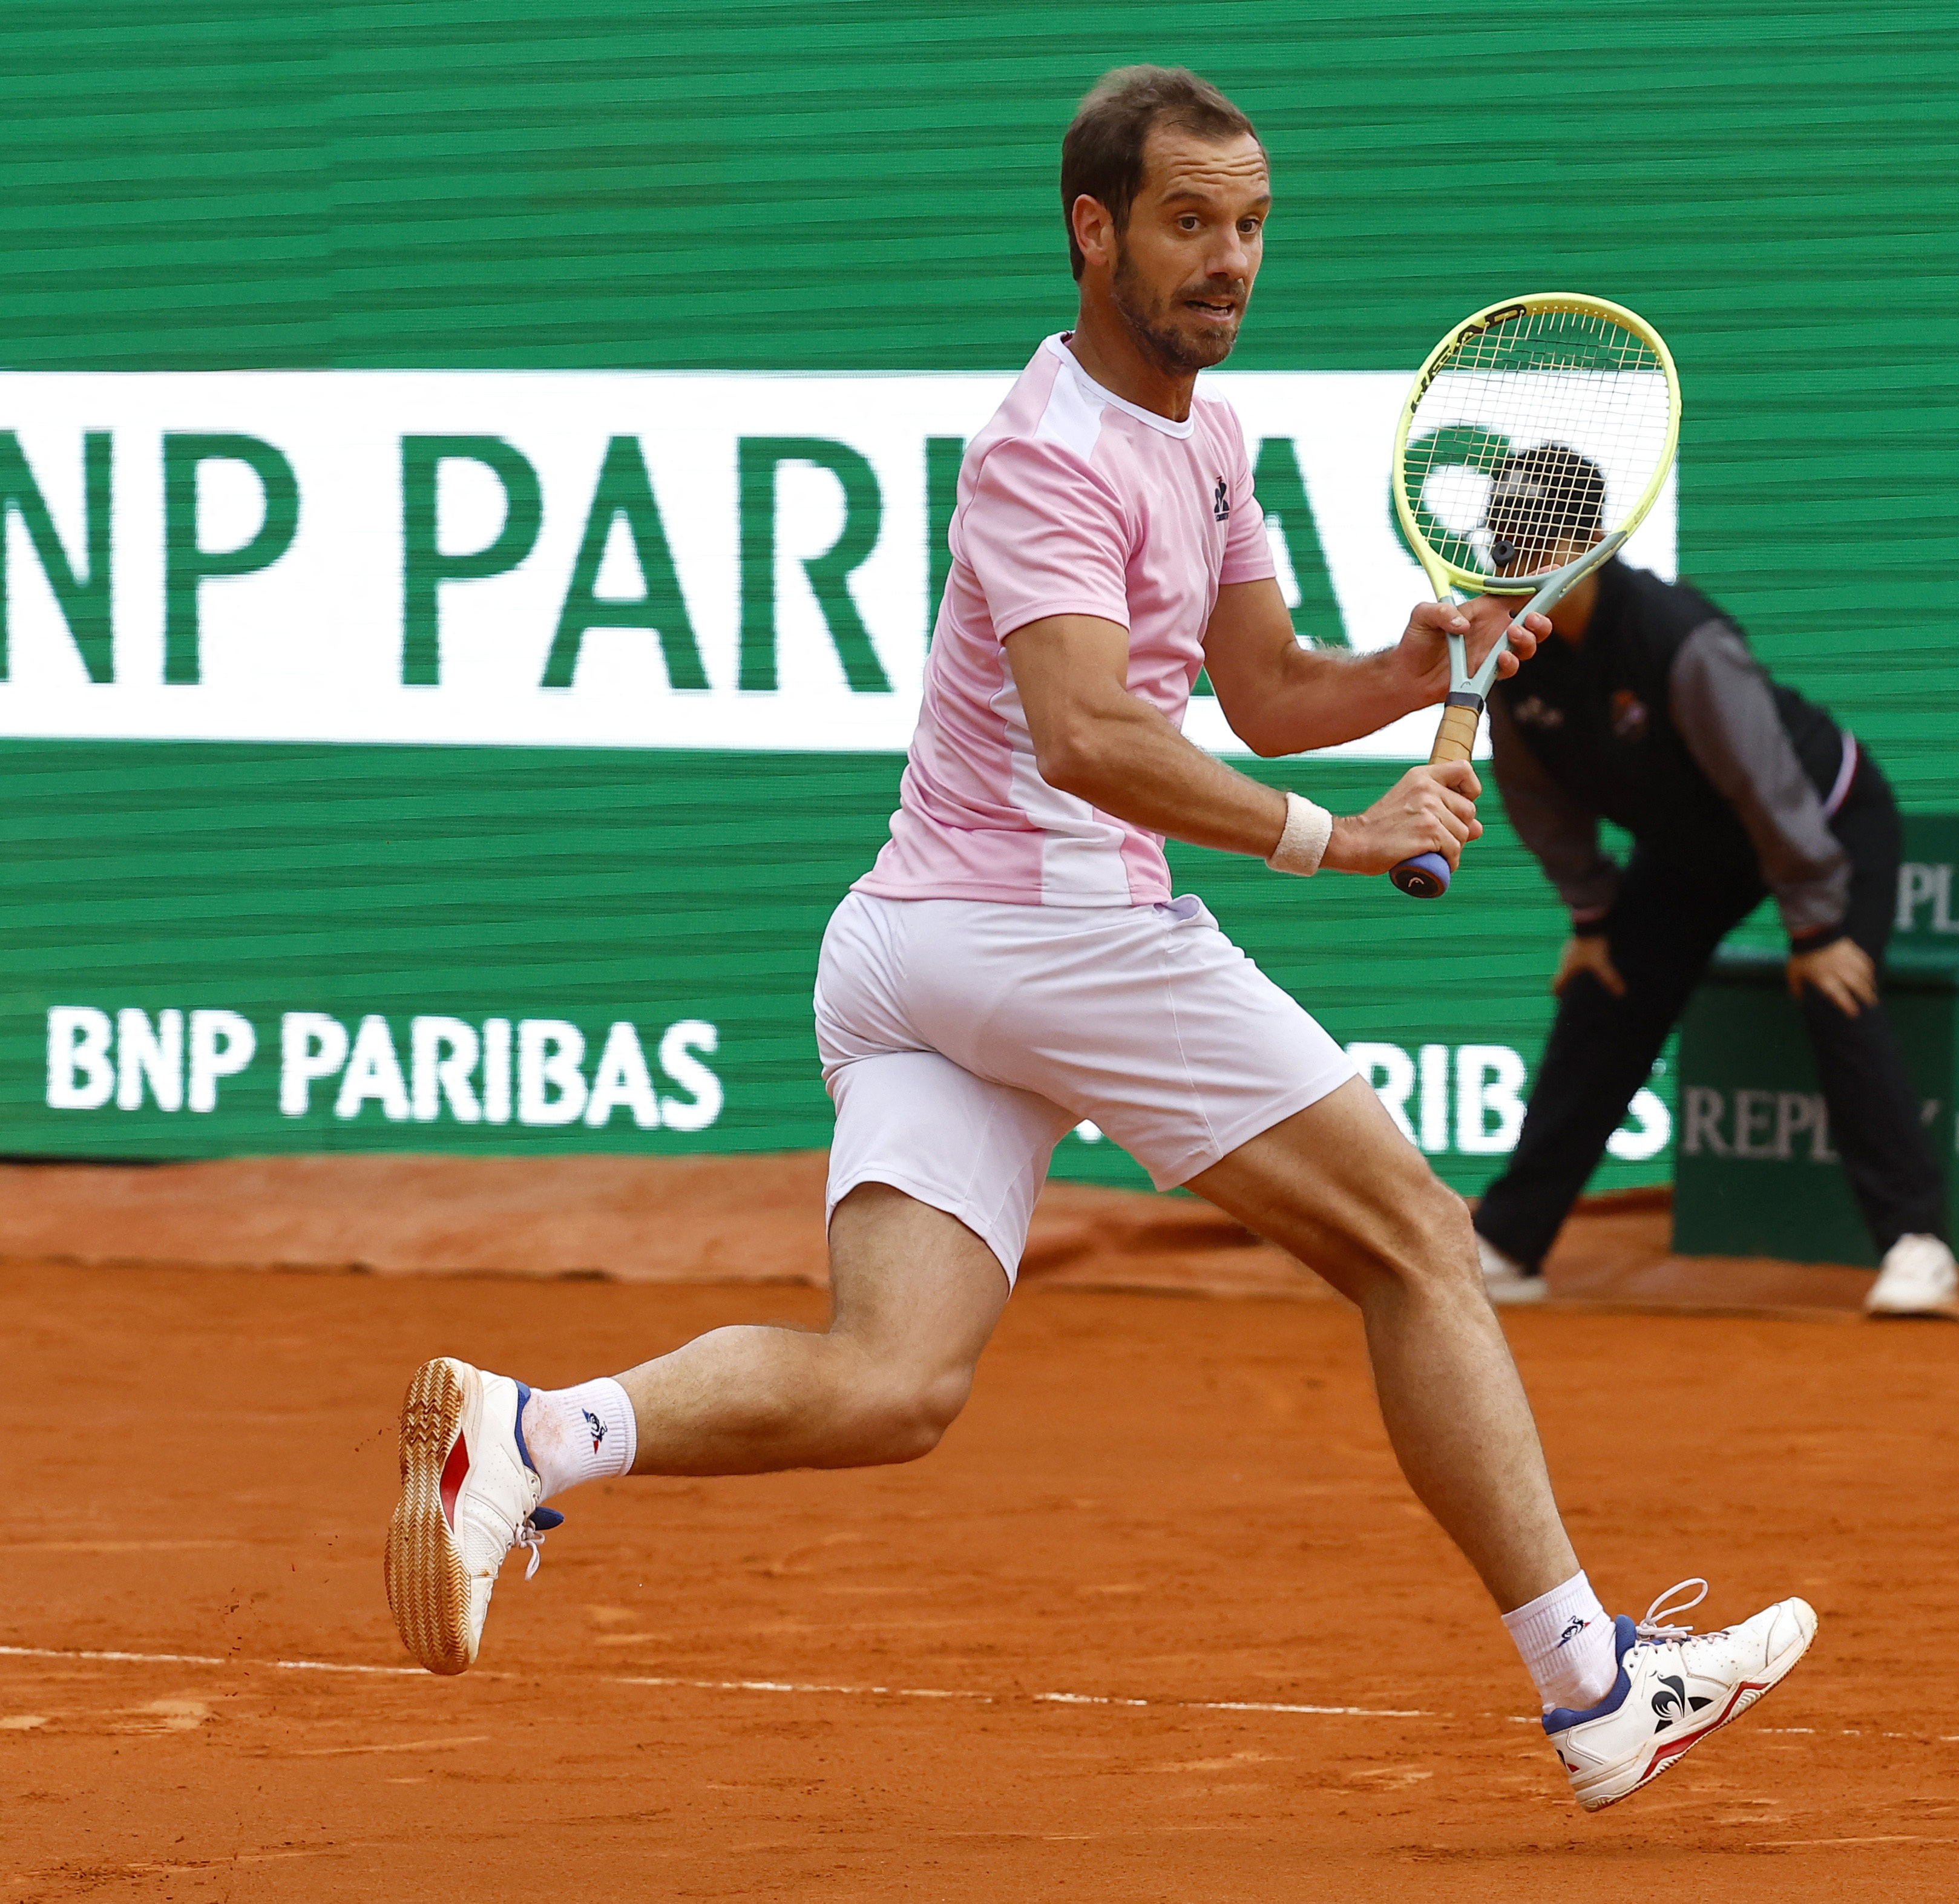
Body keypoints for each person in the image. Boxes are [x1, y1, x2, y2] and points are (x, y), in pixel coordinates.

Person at [384, 67, 1813, 1812]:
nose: (1229, 261)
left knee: (891, 1381)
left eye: (1251, 225)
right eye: (1189, 222)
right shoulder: (1041, 456)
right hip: (1048, 931)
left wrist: (1421, 660)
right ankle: (1594, 1689)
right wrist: (1335, 842)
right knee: (1418, 1244)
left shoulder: (1207, 436)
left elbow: (1272, 692)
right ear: (1094, 229)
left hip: (914, 949)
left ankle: (530, 1436)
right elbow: (1086, 737)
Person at [1468, 445, 1959, 1316]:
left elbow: (1768, 786)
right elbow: (1537, 800)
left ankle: (1916, 1245)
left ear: (1591, 544)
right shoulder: (1512, 654)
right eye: (1505, 546)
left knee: (1836, 989)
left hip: (1823, 815)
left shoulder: (1680, 642)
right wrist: (1591, 912)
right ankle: (1509, 1242)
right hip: (1695, 844)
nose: (1514, 566)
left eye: (1535, 543)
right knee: (1606, 987)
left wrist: (1814, 928)